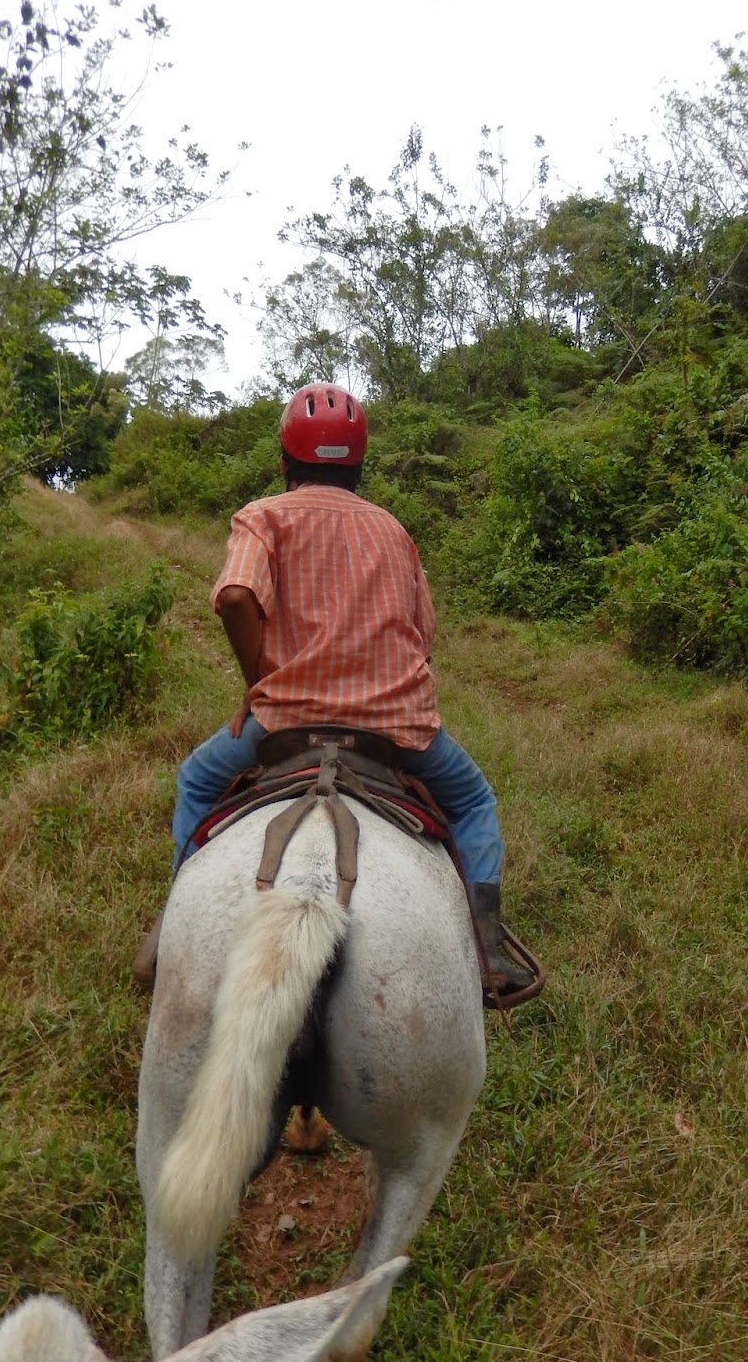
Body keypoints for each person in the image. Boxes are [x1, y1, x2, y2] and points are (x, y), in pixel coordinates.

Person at [133, 381, 535, 1003]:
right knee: (475, 802)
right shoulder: (395, 531)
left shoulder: (262, 516)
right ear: (358, 464)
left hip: (284, 723)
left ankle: (169, 925)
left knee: (195, 780)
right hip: (395, 730)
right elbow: (423, 637)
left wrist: (258, 682)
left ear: (284, 461)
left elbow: (237, 596)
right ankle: (487, 948)